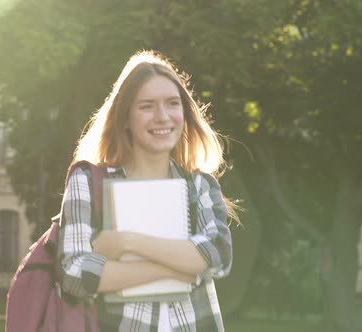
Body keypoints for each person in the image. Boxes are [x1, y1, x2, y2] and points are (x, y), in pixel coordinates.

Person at [58, 50, 237, 332]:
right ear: (125, 117)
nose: (162, 116)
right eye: (146, 106)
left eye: (172, 104)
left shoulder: (201, 184)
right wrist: (181, 268)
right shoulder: (87, 182)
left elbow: (217, 255)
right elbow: (75, 274)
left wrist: (128, 242)